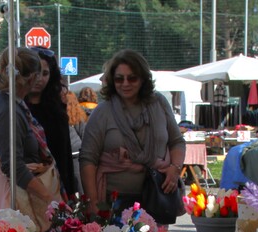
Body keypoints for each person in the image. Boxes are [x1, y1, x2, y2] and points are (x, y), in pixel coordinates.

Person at [79, 49, 186, 217]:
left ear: (143, 78)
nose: (125, 83)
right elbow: (87, 158)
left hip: (156, 196)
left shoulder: (159, 103)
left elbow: (177, 142)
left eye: (132, 78)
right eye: (119, 79)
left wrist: (175, 169)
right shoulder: (102, 111)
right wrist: (92, 202)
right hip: (115, 201)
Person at [0, 47, 60, 232]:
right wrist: (49, 198)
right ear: (32, 77)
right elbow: (13, 166)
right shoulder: (7, 110)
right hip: (2, 194)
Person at [25, 48, 76, 196]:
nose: (38, 78)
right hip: (24, 186)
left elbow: (65, 154)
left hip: (56, 186)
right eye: (34, 72)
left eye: (45, 73)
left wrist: (70, 193)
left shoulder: (57, 110)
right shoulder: (15, 109)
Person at [64, 89, 88, 195]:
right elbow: (84, 136)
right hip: (76, 155)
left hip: (73, 156)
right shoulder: (79, 117)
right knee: (80, 188)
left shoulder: (76, 118)